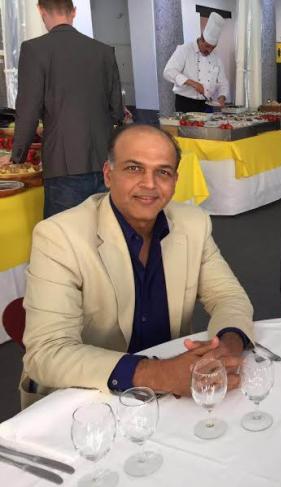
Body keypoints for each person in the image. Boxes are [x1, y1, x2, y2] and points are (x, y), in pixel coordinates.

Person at [21, 124, 254, 407]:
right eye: (134, 168)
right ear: (108, 175)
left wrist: (228, 345)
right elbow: (46, 352)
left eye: (163, 172)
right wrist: (159, 374)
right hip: (87, 400)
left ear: (175, 180)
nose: (149, 184)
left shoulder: (193, 223)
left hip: (172, 396)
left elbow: (228, 296)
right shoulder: (60, 236)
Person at [0, 0, 123, 218]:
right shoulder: (103, 51)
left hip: (63, 164)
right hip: (105, 162)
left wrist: (16, 157)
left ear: (40, 10)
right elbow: (117, 111)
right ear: (73, 12)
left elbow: (28, 111)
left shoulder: (34, 49)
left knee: (63, 233)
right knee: (104, 229)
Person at [163, 12, 229, 112]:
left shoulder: (216, 58)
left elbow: (223, 82)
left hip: (206, 104)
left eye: (213, 48)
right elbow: (168, 71)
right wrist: (193, 83)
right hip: (185, 103)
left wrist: (222, 97)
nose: (209, 50)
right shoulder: (185, 50)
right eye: (207, 46)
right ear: (201, 39)